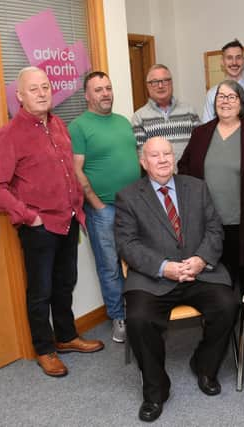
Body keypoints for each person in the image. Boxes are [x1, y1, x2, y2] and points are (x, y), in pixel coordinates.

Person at [0, 67, 104, 377]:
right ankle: (45, 349)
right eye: (34, 89)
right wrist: (29, 216)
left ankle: (66, 337)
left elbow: (67, 172)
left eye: (46, 87)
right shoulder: (10, 134)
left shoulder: (58, 124)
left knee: (65, 283)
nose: (42, 93)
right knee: (40, 291)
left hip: (68, 221)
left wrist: (77, 207)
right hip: (39, 227)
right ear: (20, 96)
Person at [115, 137, 239, 422]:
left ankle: (205, 366)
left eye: (167, 154)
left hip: (198, 272)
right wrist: (164, 267)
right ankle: (156, 391)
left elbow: (215, 229)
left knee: (227, 305)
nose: (162, 160)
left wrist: (200, 260)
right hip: (154, 277)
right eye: (154, 156)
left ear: (175, 157)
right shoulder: (128, 196)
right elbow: (128, 245)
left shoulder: (197, 187)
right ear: (143, 163)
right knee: (138, 319)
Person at [70, 71, 141, 343]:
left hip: (133, 206)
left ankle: (139, 311)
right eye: (98, 89)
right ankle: (118, 317)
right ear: (87, 95)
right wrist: (96, 204)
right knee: (109, 265)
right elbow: (76, 170)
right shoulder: (79, 126)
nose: (105, 94)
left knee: (138, 260)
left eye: (108, 88)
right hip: (104, 209)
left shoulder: (124, 122)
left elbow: (132, 158)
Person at [179, 79, 244, 293]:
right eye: (221, 96)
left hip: (243, 221)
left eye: (231, 97)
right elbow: (184, 167)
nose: (225, 101)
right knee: (215, 281)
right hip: (208, 223)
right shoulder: (201, 133)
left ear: (241, 103)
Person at [131, 64, 200, 163]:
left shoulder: (190, 112)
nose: (160, 86)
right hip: (157, 176)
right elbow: (142, 155)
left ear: (171, 83)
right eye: (155, 82)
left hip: (187, 176)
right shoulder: (139, 117)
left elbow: (199, 145)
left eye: (165, 80)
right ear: (148, 86)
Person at [202, 39, 244, 132]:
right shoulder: (212, 94)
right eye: (229, 58)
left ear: (243, 61)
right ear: (222, 62)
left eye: (238, 57)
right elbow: (207, 129)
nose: (234, 62)